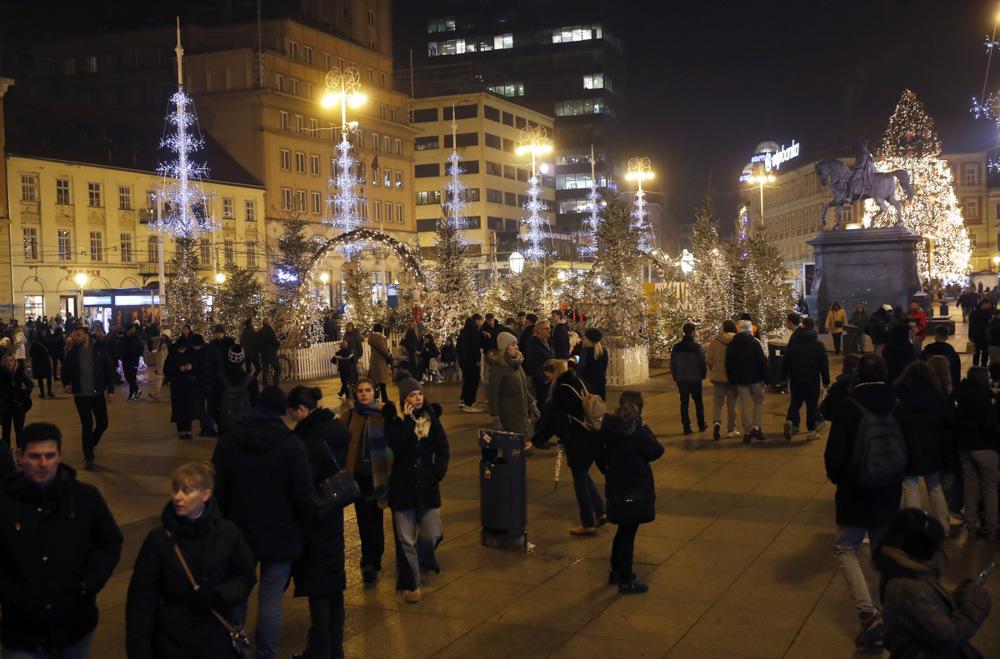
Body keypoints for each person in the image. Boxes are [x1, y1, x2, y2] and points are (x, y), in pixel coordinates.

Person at [0, 422, 123, 657]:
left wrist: (87, 585)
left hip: (74, 625)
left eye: (50, 455)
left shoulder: (85, 497)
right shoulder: (4, 502)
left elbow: (109, 542)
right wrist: (10, 593)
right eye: (35, 456)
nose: (43, 464)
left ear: (60, 455)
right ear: (20, 456)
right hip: (22, 630)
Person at [212, 386, 313, 659]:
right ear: (281, 411)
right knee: (270, 598)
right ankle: (266, 653)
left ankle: (236, 651)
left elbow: (217, 492)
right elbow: (302, 494)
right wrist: (304, 527)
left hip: (239, 533)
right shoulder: (291, 445)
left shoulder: (229, 442)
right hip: (281, 533)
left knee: (238, 593)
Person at [824, 353, 913, 651]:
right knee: (882, 550)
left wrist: (841, 478)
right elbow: (907, 447)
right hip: (888, 490)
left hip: (856, 491)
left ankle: (868, 615)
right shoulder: (897, 404)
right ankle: (893, 613)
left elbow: (834, 457)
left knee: (845, 547)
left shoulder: (850, 408)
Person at [125, 462, 257, 659]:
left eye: (187, 491)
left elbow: (245, 576)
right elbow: (141, 598)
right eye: (175, 490)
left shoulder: (227, 533)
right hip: (170, 642)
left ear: (205, 495)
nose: (178, 497)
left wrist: (218, 595)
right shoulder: (159, 540)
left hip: (215, 639)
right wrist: (139, 649)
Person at [286, 386, 352, 659]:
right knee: (334, 587)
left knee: (318, 589)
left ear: (302, 410)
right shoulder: (335, 429)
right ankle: (335, 648)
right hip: (333, 513)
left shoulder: (306, 441)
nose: (290, 419)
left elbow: (302, 487)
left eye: (292, 413)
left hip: (314, 519)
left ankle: (319, 650)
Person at [873, 508, 992, 657]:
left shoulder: (906, 571)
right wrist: (975, 604)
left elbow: (925, 613)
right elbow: (949, 636)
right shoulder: (910, 585)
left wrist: (957, 596)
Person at [386, 373, 449, 603]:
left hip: (427, 486)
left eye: (420, 393)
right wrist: (405, 421)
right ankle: (412, 584)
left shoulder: (432, 418)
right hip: (402, 487)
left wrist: (438, 472)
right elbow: (398, 447)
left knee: (432, 534)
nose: (418, 398)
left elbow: (443, 447)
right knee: (405, 540)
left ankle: (424, 561)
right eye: (412, 395)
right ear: (404, 398)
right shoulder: (394, 422)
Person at [595, 391, 664, 595]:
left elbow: (599, 454)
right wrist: (646, 428)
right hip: (634, 489)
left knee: (622, 531)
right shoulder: (638, 432)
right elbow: (656, 451)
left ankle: (616, 571)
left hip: (616, 486)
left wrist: (608, 471)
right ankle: (625, 579)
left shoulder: (608, 427)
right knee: (627, 534)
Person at [533, 359, 606, 535]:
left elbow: (553, 421)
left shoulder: (561, 390)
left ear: (554, 373)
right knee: (584, 474)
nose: (547, 379)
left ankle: (588, 522)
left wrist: (535, 440)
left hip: (578, 438)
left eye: (548, 375)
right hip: (594, 433)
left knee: (579, 479)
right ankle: (601, 511)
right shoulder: (580, 381)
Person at [337, 378, 394, 585]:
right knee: (362, 517)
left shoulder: (382, 415)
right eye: (360, 390)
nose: (363, 394)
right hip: (356, 476)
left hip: (377, 475)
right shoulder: (350, 415)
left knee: (375, 516)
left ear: (374, 392)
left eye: (367, 390)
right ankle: (367, 557)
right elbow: (338, 440)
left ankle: (373, 558)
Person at [894, 361, 952, 532]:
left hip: (908, 446)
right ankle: (943, 525)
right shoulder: (937, 395)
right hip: (932, 446)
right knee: (934, 487)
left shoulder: (900, 395)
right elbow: (945, 421)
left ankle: (913, 528)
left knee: (910, 485)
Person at [61, 326, 115, 470]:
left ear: (86, 335)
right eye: (74, 335)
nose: (75, 337)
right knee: (87, 424)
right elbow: (65, 370)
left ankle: (90, 444)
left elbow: (109, 370)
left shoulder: (99, 349)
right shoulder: (72, 352)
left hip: (97, 393)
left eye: (78, 335)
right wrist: (66, 383)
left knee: (103, 423)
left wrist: (111, 390)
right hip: (80, 395)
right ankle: (88, 456)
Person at [955, 366, 999, 540]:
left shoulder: (962, 395)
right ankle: (992, 527)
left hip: (965, 447)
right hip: (985, 447)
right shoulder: (983, 398)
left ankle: (972, 525)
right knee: (990, 488)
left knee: (970, 487)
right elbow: (989, 424)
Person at [781, 317, 830, 441]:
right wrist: (826, 381)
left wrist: (783, 377)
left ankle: (790, 420)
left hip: (796, 378)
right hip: (812, 379)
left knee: (795, 401)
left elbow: (785, 360)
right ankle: (811, 431)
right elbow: (824, 364)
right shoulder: (818, 344)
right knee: (811, 405)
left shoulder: (793, 341)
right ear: (813, 327)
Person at [487, 332, 537, 440]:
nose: (516, 347)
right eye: (512, 344)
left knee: (522, 443)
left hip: (521, 410)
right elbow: (493, 393)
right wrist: (495, 416)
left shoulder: (516, 364)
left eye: (516, 344)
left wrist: (531, 402)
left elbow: (522, 386)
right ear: (505, 347)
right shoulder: (498, 367)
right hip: (508, 413)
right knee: (513, 447)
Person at [725, 320, 767, 443]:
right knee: (759, 401)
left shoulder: (733, 344)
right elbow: (762, 362)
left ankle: (747, 432)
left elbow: (729, 363)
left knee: (744, 405)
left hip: (740, 380)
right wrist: (767, 378)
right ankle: (756, 427)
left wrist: (732, 378)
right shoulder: (755, 343)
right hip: (755, 379)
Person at [670, 322, 707, 435]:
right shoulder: (696, 348)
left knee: (684, 403)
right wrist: (703, 374)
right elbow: (702, 362)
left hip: (682, 379)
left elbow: (673, 363)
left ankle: (686, 427)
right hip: (695, 378)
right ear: (692, 333)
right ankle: (701, 424)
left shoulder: (676, 347)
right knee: (698, 402)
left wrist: (675, 376)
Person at [705, 320, 739, 441]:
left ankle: (716, 423)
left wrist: (713, 368)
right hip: (733, 377)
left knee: (717, 403)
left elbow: (709, 360)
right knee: (732, 404)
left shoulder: (714, 342)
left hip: (718, 378)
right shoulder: (737, 342)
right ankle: (731, 428)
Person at [163, 337, 203, 440]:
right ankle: (181, 430)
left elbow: (198, 366)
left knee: (188, 408)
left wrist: (191, 367)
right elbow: (166, 370)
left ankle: (188, 430)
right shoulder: (173, 355)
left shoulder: (190, 354)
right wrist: (179, 369)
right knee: (179, 408)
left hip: (189, 386)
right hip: (177, 386)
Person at [216, 344, 258, 435]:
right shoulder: (251, 381)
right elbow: (255, 404)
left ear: (228, 357)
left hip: (225, 425)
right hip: (245, 425)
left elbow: (212, 404)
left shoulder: (220, 378)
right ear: (243, 359)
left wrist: (219, 421)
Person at [0, 353, 33, 447]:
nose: (9, 363)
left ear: (14, 362)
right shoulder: (1, 374)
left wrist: (24, 394)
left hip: (18, 405)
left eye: (11, 360)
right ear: (3, 363)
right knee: (6, 431)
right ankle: (7, 454)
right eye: (6, 360)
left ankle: (20, 452)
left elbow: (30, 384)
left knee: (19, 430)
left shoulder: (19, 373)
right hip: (5, 406)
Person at [523, 319, 554, 414]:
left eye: (550, 328)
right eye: (546, 329)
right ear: (539, 330)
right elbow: (534, 364)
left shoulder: (547, 341)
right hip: (540, 380)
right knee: (541, 404)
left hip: (548, 377)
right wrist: (544, 379)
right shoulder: (534, 343)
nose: (549, 330)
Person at [456, 315, 484, 412]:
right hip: (472, 362)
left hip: (464, 361)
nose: (481, 323)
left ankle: (464, 401)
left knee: (467, 382)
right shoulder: (474, 333)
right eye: (480, 321)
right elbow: (475, 348)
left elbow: (458, 348)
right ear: (475, 321)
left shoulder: (463, 333)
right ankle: (470, 403)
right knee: (473, 382)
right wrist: (478, 360)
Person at [920, 324, 961, 390]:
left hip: (929, 387)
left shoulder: (926, 351)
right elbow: (956, 374)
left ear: (935, 334)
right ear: (947, 336)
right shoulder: (952, 353)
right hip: (948, 387)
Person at [577, 328, 608, 401]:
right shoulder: (603, 351)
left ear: (588, 339)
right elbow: (604, 367)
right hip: (600, 383)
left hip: (588, 384)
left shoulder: (585, 352)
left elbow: (581, 369)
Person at [367, 323, 392, 402]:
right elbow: (383, 350)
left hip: (374, 360)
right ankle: (384, 398)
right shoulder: (379, 338)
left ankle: (375, 396)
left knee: (375, 380)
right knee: (382, 381)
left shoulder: (372, 337)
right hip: (380, 361)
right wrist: (388, 355)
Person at [120, 323, 145, 401]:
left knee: (132, 377)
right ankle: (137, 389)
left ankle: (131, 394)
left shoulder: (137, 338)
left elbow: (141, 348)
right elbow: (122, 347)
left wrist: (137, 355)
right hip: (125, 360)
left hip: (133, 360)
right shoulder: (124, 337)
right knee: (128, 376)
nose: (132, 330)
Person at [145, 332, 170, 400]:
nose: (162, 336)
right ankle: (155, 392)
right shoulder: (164, 345)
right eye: (162, 335)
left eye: (163, 335)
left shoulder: (161, 344)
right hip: (162, 364)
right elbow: (163, 355)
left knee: (160, 378)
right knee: (160, 378)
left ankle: (155, 392)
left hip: (161, 364)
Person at [29, 332, 53, 399]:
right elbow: (50, 351)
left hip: (37, 362)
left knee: (40, 378)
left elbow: (30, 353)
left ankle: (42, 393)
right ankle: (49, 391)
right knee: (48, 377)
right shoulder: (46, 342)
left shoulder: (34, 344)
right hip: (45, 361)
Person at [257, 318, 281, 386]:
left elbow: (257, 342)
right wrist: (278, 344)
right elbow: (274, 341)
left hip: (263, 354)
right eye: (270, 322)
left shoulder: (259, 331)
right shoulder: (270, 331)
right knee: (278, 369)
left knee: (265, 370)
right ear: (268, 323)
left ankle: (265, 385)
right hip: (271, 354)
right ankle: (276, 384)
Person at [969, 298, 992, 367]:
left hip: (985, 337)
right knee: (976, 353)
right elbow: (971, 325)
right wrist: (970, 336)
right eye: (988, 304)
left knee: (985, 353)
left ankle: (983, 366)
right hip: (977, 336)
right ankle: (975, 367)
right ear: (983, 304)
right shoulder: (974, 312)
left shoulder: (989, 312)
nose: (989, 306)